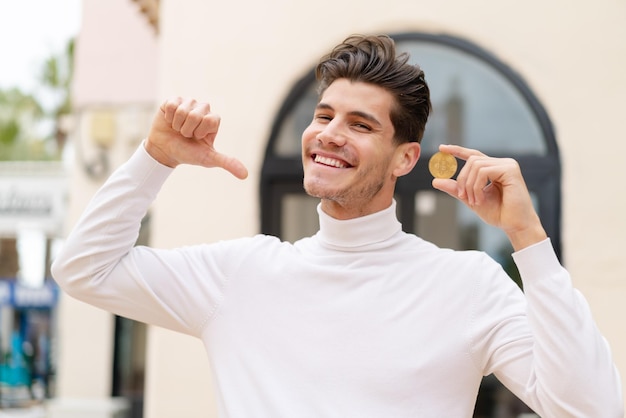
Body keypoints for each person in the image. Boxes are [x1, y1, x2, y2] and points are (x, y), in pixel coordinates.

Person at [51, 34, 623, 417]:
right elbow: (82, 268)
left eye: (360, 124)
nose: (328, 133)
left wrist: (529, 240)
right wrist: (156, 159)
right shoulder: (240, 274)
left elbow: (593, 407)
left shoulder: (469, 285)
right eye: (323, 115)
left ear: (405, 158)